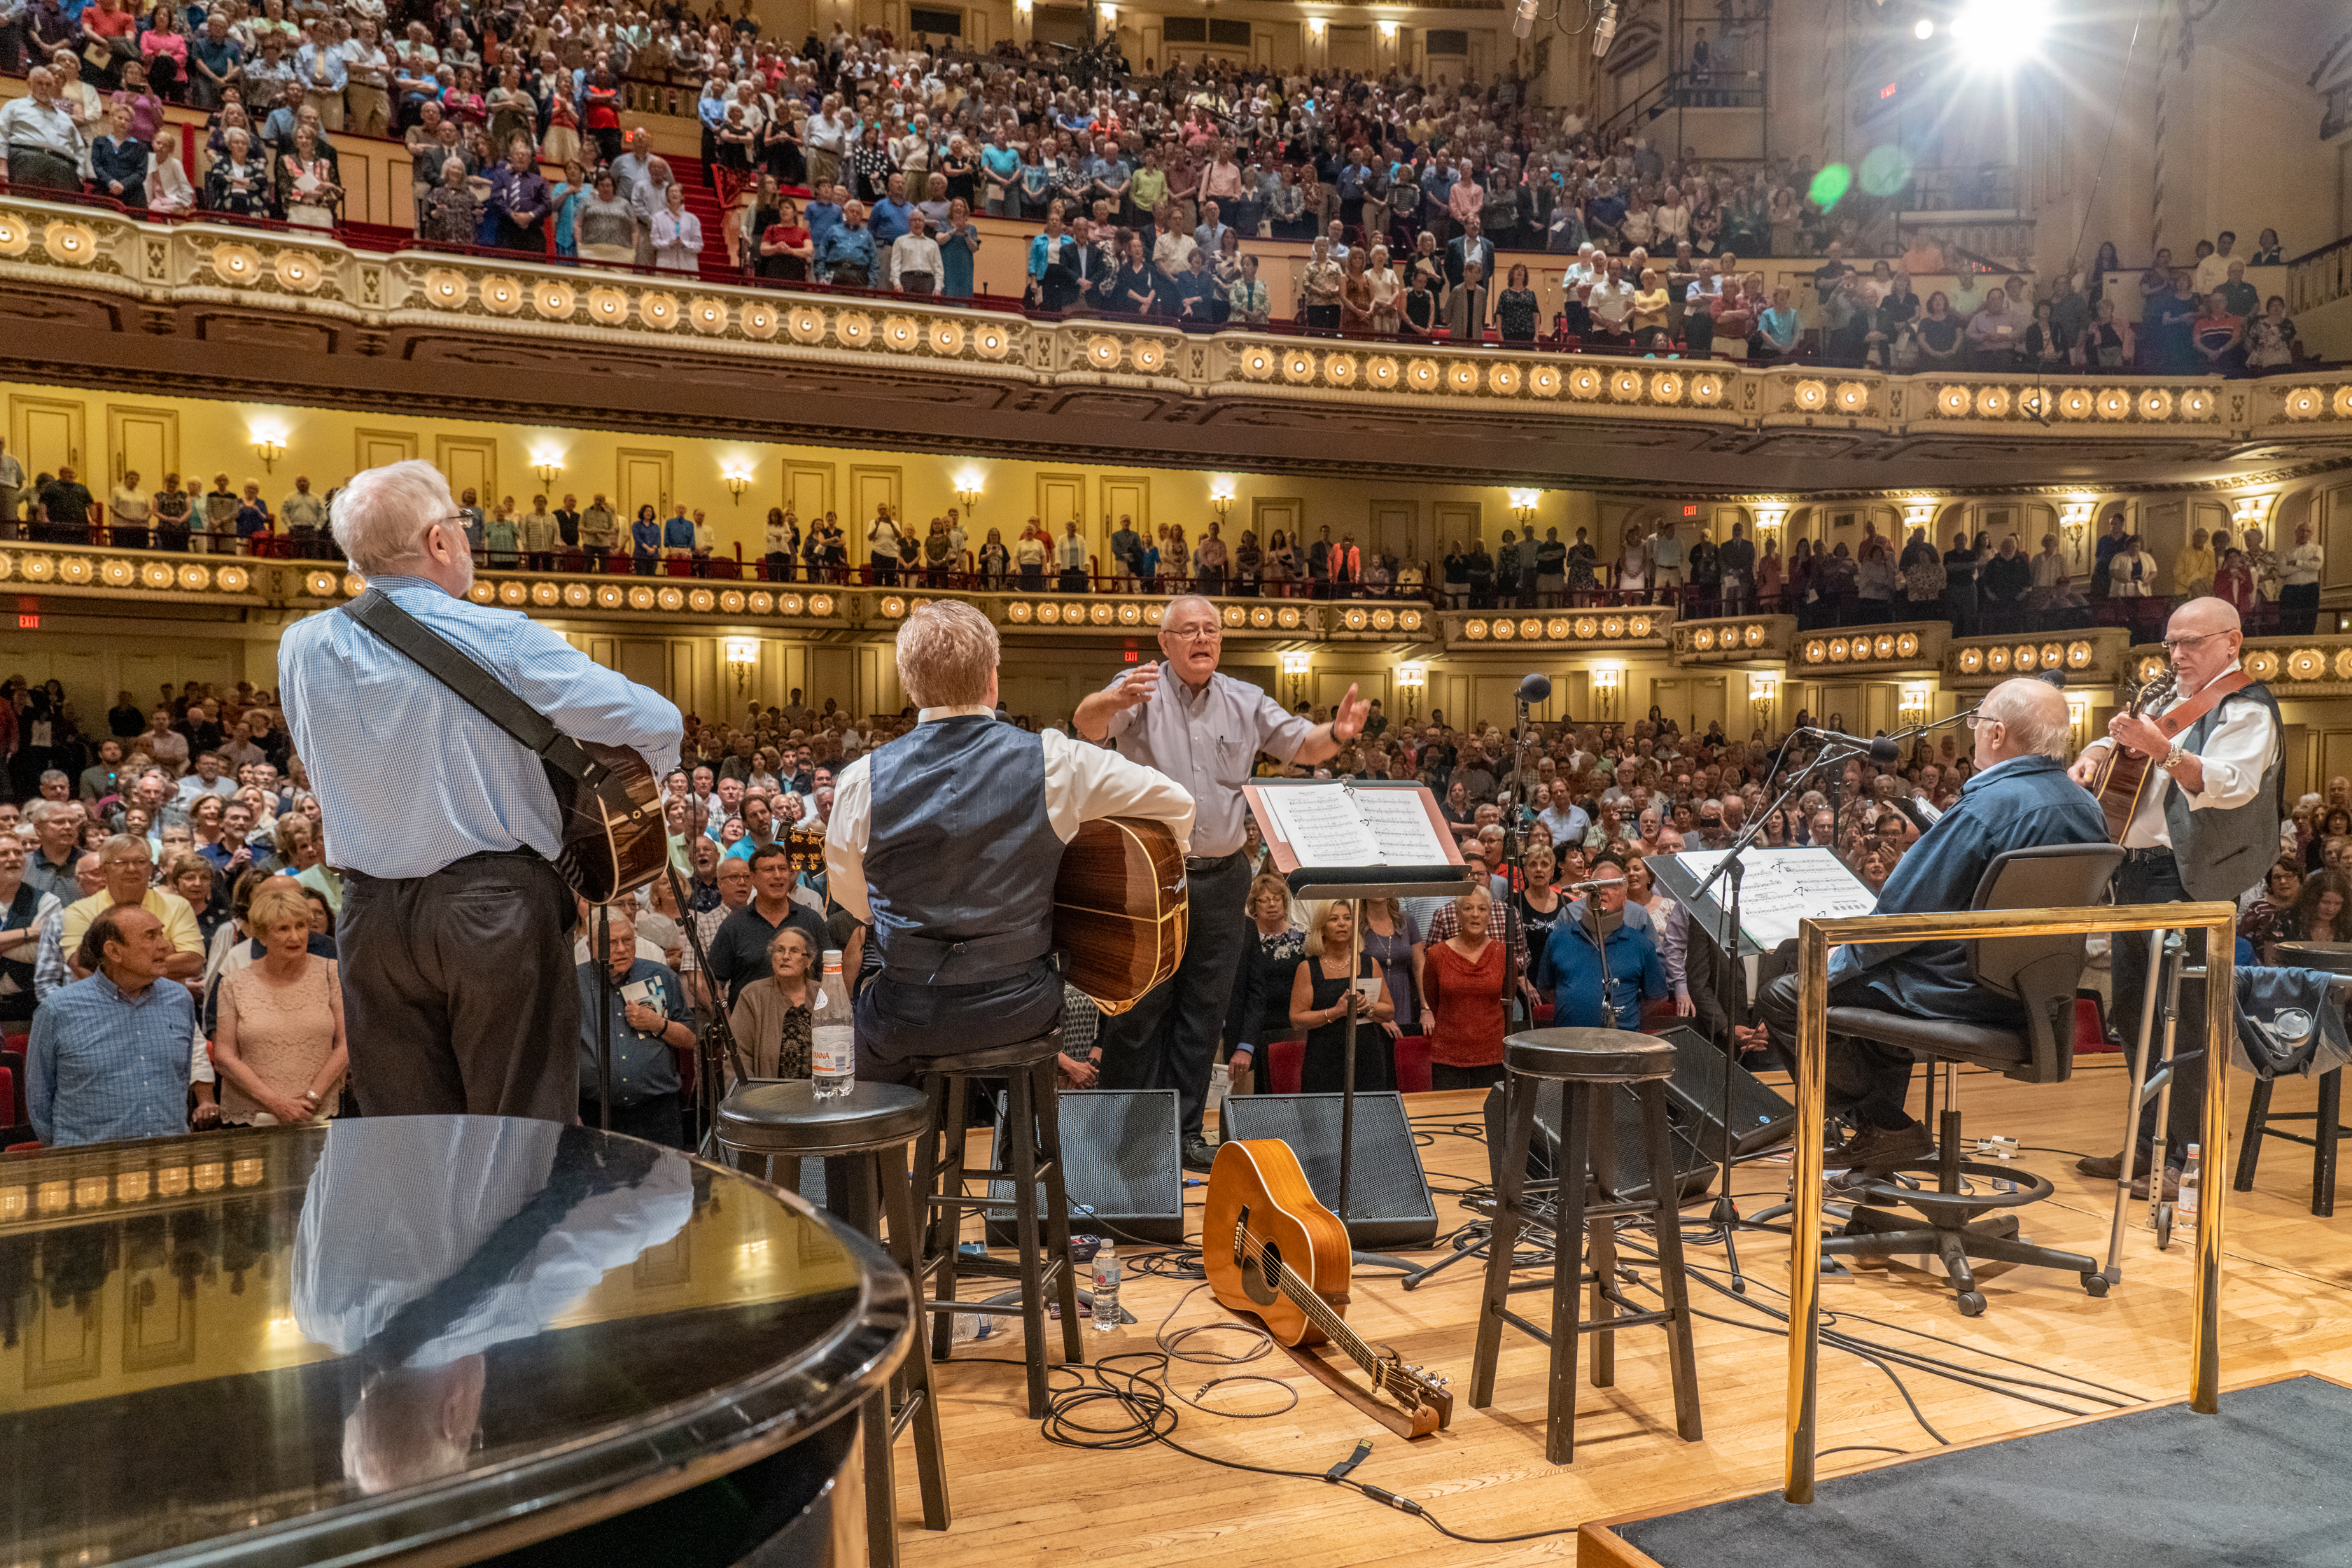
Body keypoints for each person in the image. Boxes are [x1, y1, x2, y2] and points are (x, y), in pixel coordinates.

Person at [279, 461, 681, 1124]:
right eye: (461, 527)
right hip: (491, 910)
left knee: (407, 1135)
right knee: (519, 1131)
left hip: (370, 915)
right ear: (440, 541)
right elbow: (655, 721)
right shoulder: (498, 634)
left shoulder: (301, 645)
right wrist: (643, 777)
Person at [1735, 680, 2109, 1173]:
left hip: (1957, 992)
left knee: (1789, 995)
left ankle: (1887, 1127)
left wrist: (1838, 961)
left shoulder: (1985, 808)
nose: (1974, 735)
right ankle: (1879, 1145)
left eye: (1976, 725)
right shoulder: (2087, 807)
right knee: (1863, 993)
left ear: (1997, 734)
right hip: (2035, 996)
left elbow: (1904, 915)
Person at [826, 601, 1194, 1080]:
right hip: (1021, 1010)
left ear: (910, 685)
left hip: (908, 1014)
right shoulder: (1055, 761)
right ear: (992, 677)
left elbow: (859, 904)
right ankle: (1020, 1150)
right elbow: (1177, 803)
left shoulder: (860, 780)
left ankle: (877, 1153)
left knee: (862, 1039)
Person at [1075, 594, 1369, 1168]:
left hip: (1223, 875)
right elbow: (1088, 725)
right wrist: (1109, 699)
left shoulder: (1245, 699)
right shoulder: (1139, 687)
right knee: (1140, 1010)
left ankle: (1184, 1133)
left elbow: (1302, 744)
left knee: (1202, 1011)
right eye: (1187, 630)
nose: (1201, 638)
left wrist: (1337, 731)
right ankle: (1125, 1133)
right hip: (1151, 875)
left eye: (1210, 629)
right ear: (1166, 644)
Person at [2067, 598, 2281, 1200]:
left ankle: (2185, 1158)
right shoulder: (2165, 700)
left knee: (2182, 1020)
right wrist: (2093, 754)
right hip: (2134, 873)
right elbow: (2123, 755)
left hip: (2190, 879)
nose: (2178, 655)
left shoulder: (2246, 706)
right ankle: (2144, 1146)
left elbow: (2231, 786)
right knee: (2134, 1015)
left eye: (2191, 643)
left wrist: (2160, 746)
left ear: (2232, 642)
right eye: (2170, 644)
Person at [29, 904, 217, 1147]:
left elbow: (180, 1079)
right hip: (90, 1165)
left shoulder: (179, 999)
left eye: (162, 934)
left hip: (167, 1159)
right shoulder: (58, 1009)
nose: (165, 946)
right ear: (114, 951)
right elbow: (39, 1101)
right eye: (151, 936)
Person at [212, 878, 345, 1124]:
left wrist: (311, 1098)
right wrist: (275, 1103)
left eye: (301, 926)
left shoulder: (332, 974)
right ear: (262, 936)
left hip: (317, 1112)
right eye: (283, 929)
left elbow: (346, 1044)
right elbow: (224, 1055)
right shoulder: (233, 984)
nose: (295, 936)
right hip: (256, 1116)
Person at [575, 905, 691, 1147]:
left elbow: (691, 1039)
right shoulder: (574, 983)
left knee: (664, 1183)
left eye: (627, 940)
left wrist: (659, 1024)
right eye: (611, 942)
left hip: (658, 1113)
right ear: (589, 946)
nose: (621, 949)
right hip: (595, 1114)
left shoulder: (660, 976)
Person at [1289, 899, 1395, 1093]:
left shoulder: (1370, 964)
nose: (1342, 923)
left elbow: (1388, 1012)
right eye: (1334, 919)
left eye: (1347, 918)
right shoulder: (1308, 968)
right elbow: (1297, 1020)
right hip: (1323, 1060)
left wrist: (1368, 1008)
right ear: (1322, 927)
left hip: (1366, 1059)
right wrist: (1336, 1012)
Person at [1421, 883, 1507, 1090]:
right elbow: (1433, 999)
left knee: (1490, 1116)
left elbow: (1506, 998)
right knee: (1449, 1116)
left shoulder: (1504, 953)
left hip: (1492, 1053)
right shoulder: (1436, 955)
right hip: (1448, 1055)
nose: (1475, 914)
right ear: (1458, 916)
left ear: (1490, 915)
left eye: (1482, 909)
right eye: (1468, 908)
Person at [727, 924, 818, 1082]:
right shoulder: (753, 995)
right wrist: (746, 1099)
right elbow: (738, 1056)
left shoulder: (824, 995)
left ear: (809, 961)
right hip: (768, 1099)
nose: (785, 956)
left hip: (818, 1097)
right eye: (779, 950)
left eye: (794, 951)